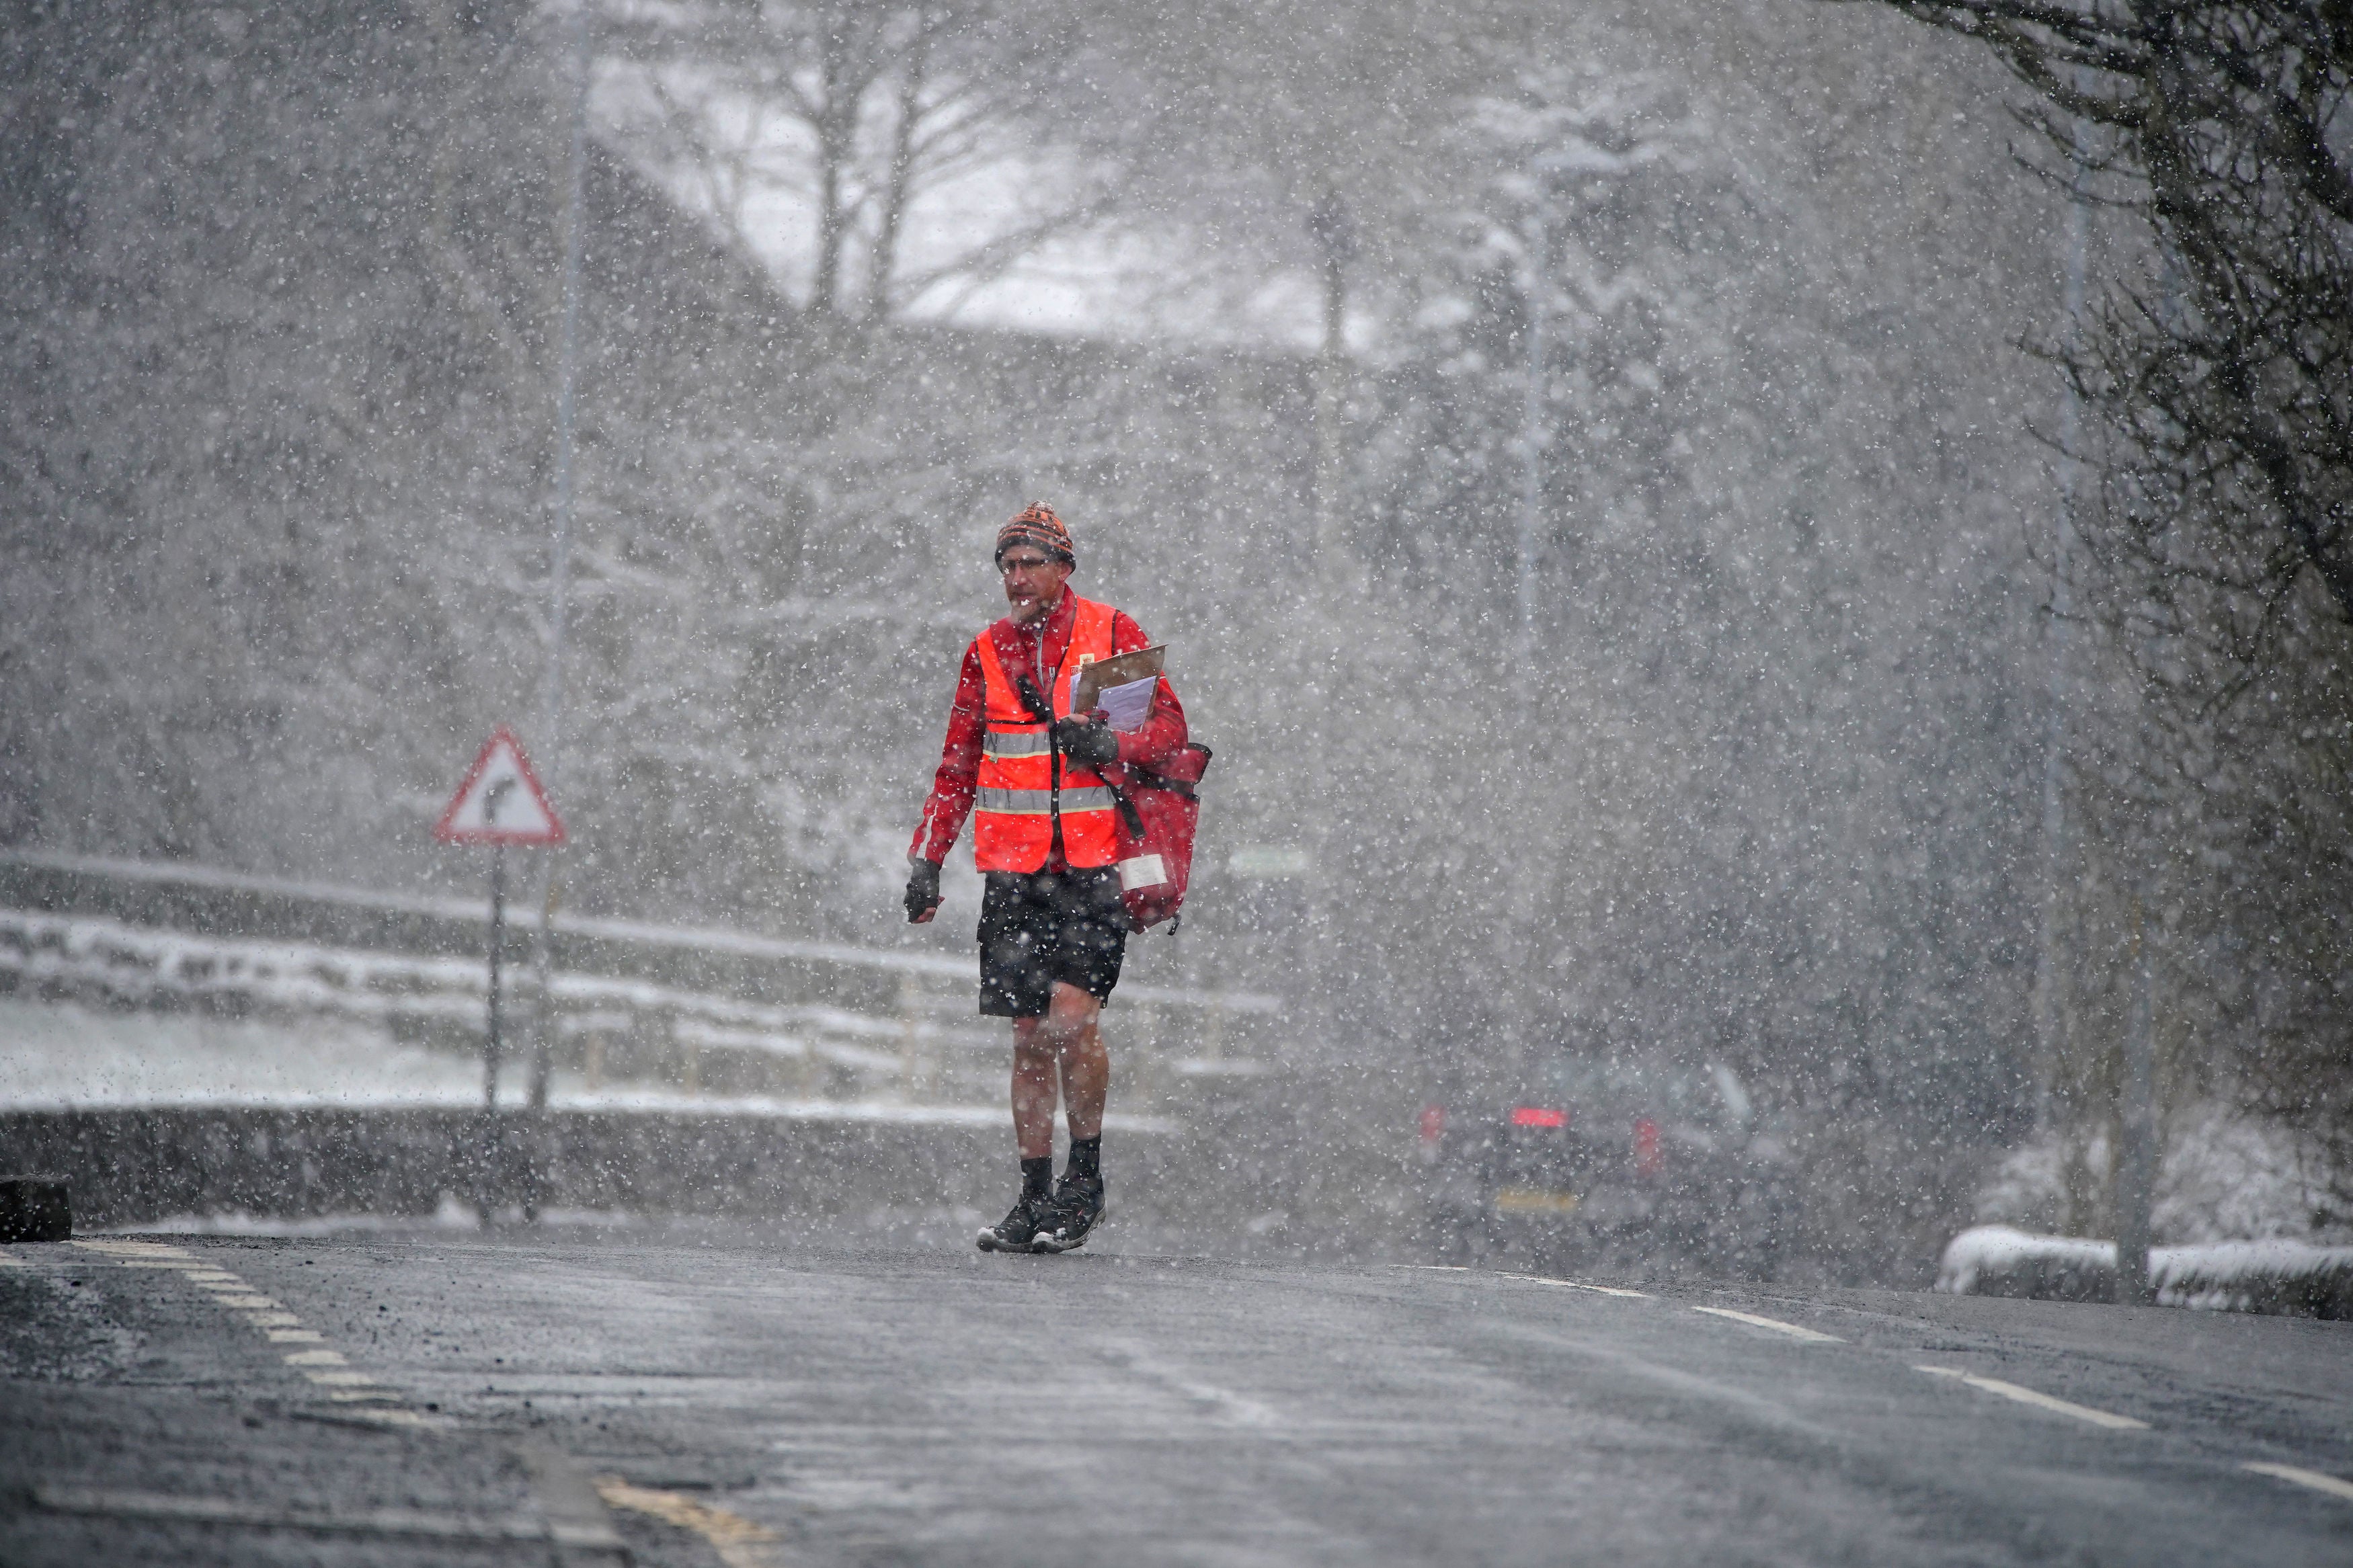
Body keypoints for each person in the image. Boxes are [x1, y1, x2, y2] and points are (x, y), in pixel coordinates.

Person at [904, 502, 1187, 1253]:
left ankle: (1084, 1181)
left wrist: (1110, 738)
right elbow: (958, 763)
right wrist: (927, 857)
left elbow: (1166, 733)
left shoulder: (1109, 632)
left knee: (1071, 1018)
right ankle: (1032, 1195)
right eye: (1005, 566)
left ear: (1064, 567)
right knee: (1028, 1035)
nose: (1016, 578)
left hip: (1094, 867)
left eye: (1029, 563)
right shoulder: (987, 652)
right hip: (1013, 873)